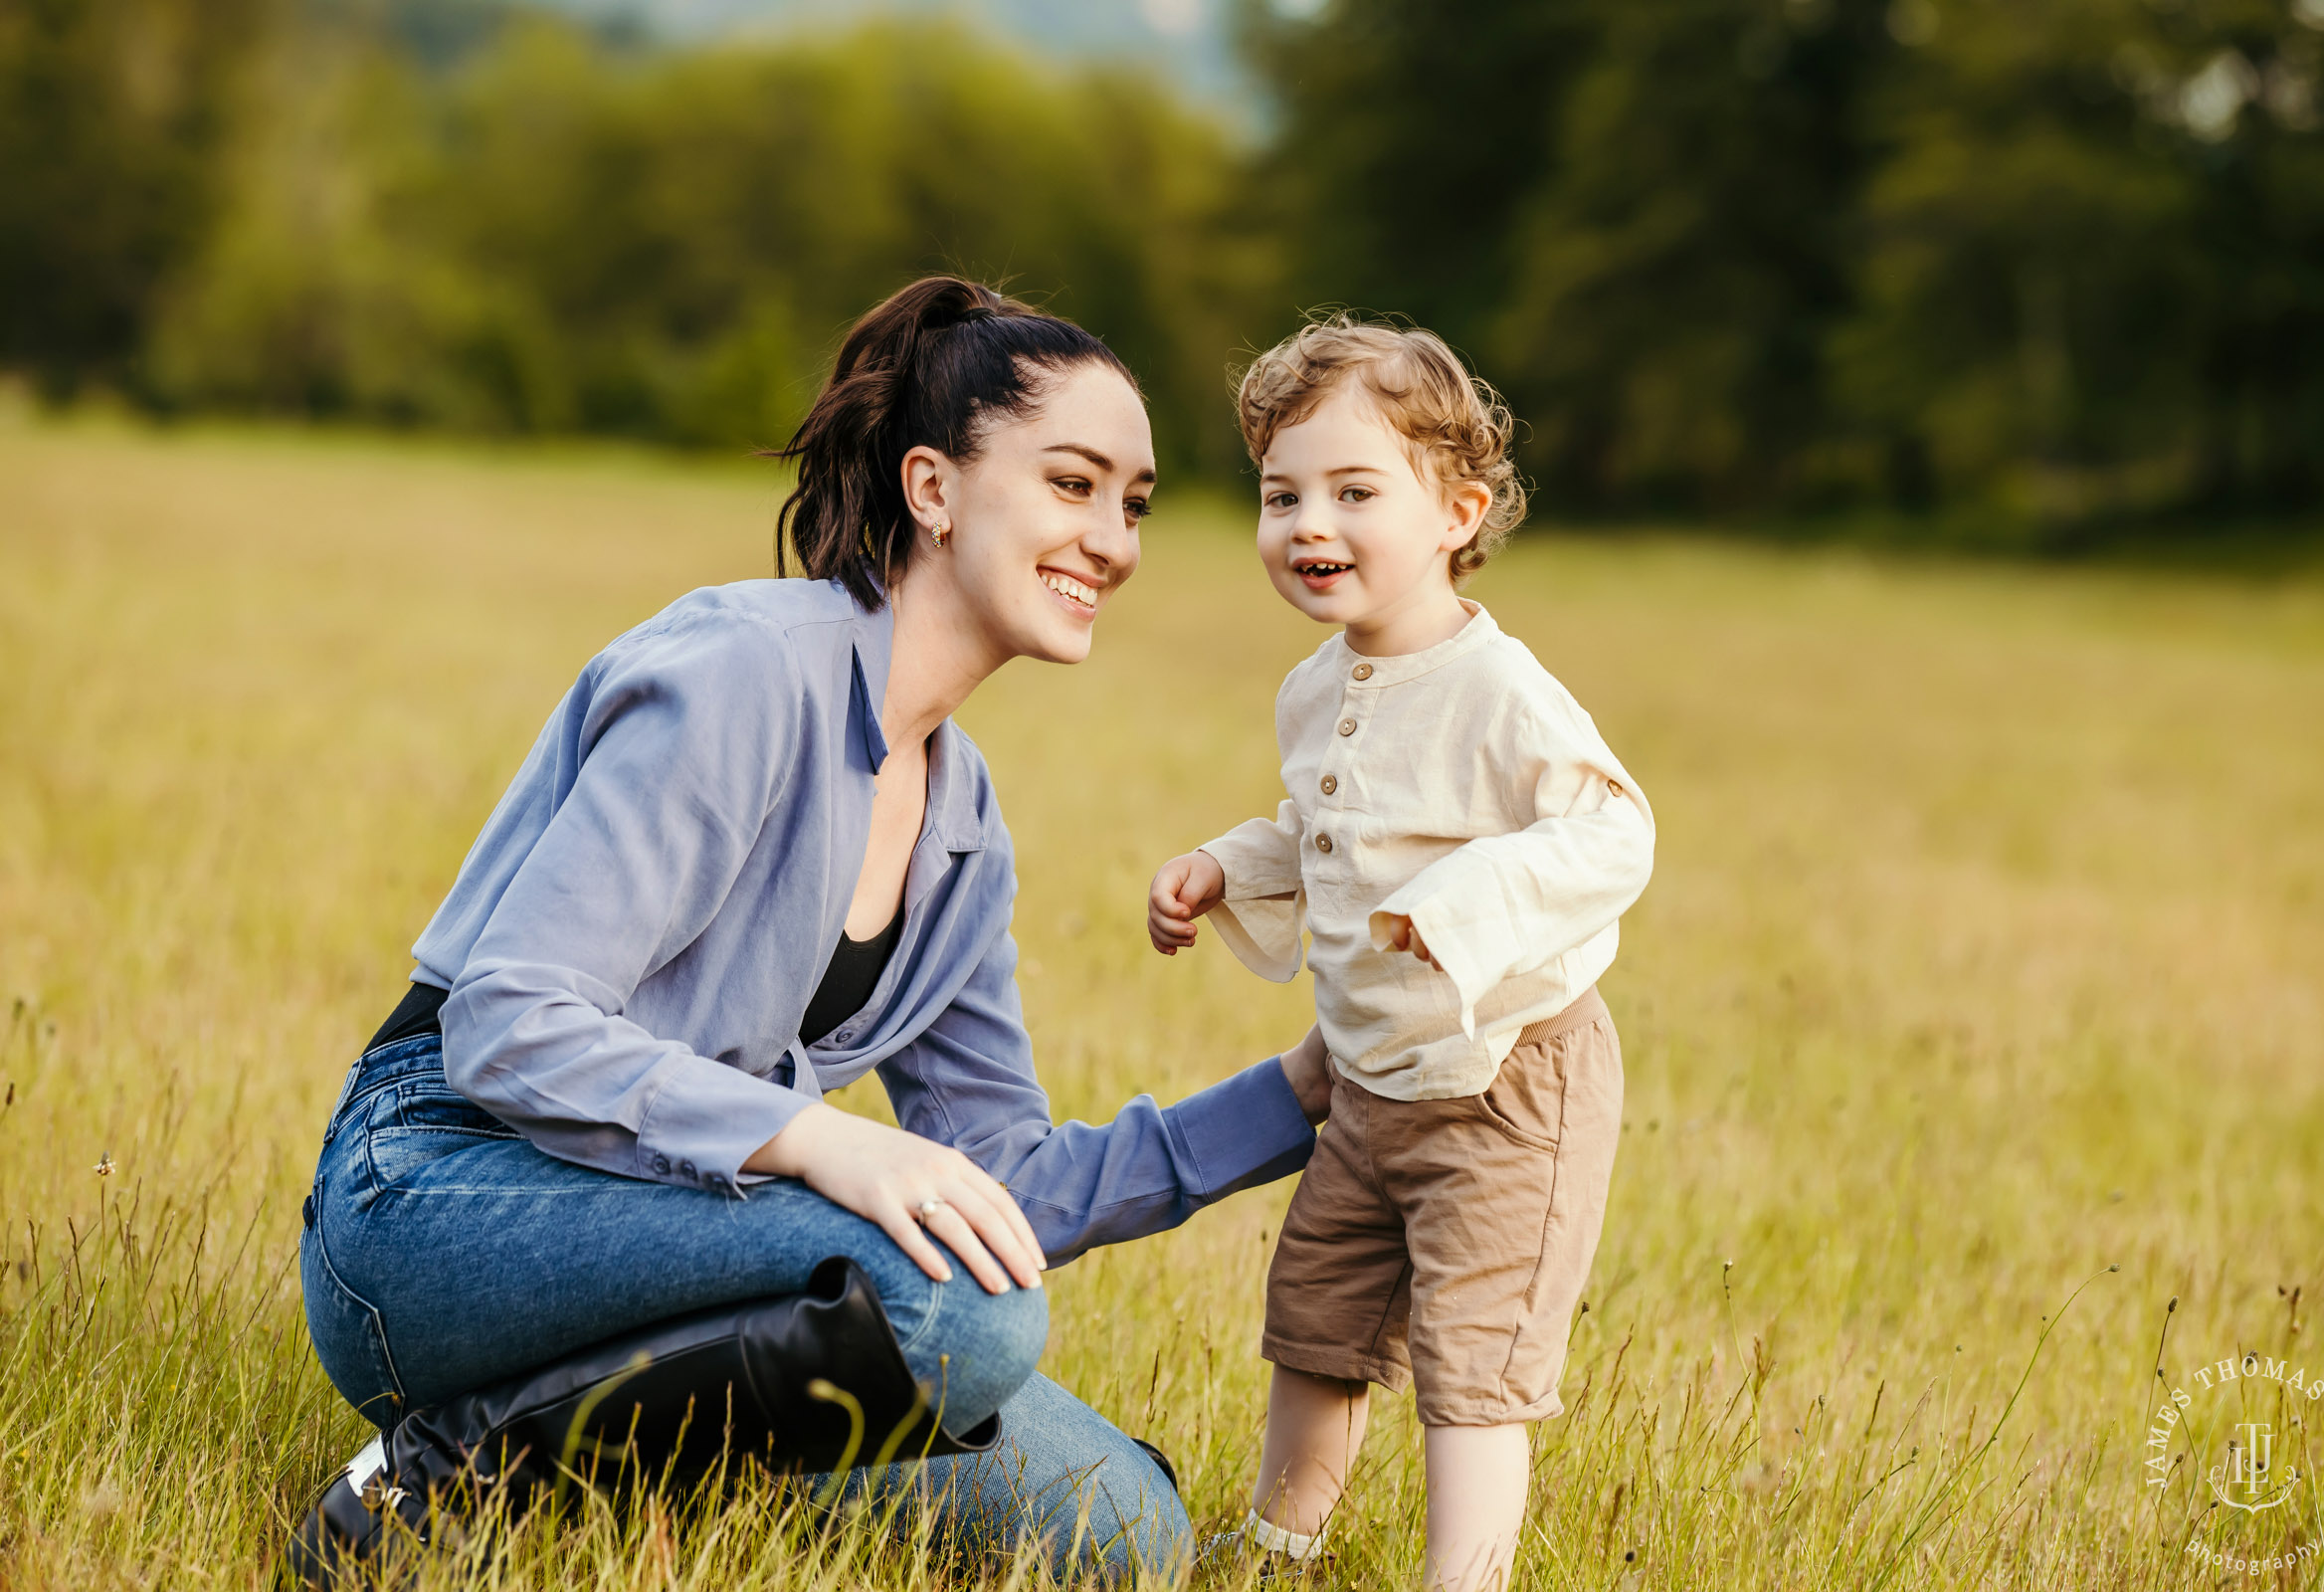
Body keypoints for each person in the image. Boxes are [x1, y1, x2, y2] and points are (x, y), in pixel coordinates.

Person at [292, 276, 1333, 1586]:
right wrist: (820, 1139)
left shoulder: (966, 828)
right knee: (963, 1310)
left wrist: (1301, 1098)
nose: (1114, 540)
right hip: (437, 1201)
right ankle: (441, 1481)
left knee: (1123, 1529)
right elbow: (507, 1023)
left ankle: (616, 1489)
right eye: (1074, 484)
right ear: (933, 488)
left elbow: (991, 1179)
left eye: (1134, 503)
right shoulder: (744, 672)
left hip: (671, 1229)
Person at [1146, 314, 1656, 1590]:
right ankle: (1275, 1544)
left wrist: (1470, 898)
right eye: (1282, 495)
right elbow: (1321, 829)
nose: (1309, 523)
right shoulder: (1315, 685)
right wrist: (1226, 868)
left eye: (1354, 491)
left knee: (1471, 1365)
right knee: (1316, 1323)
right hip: (1372, 1087)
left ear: (1455, 509)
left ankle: (1461, 1579)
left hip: (1507, 1083)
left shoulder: (1501, 690)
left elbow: (1615, 829)